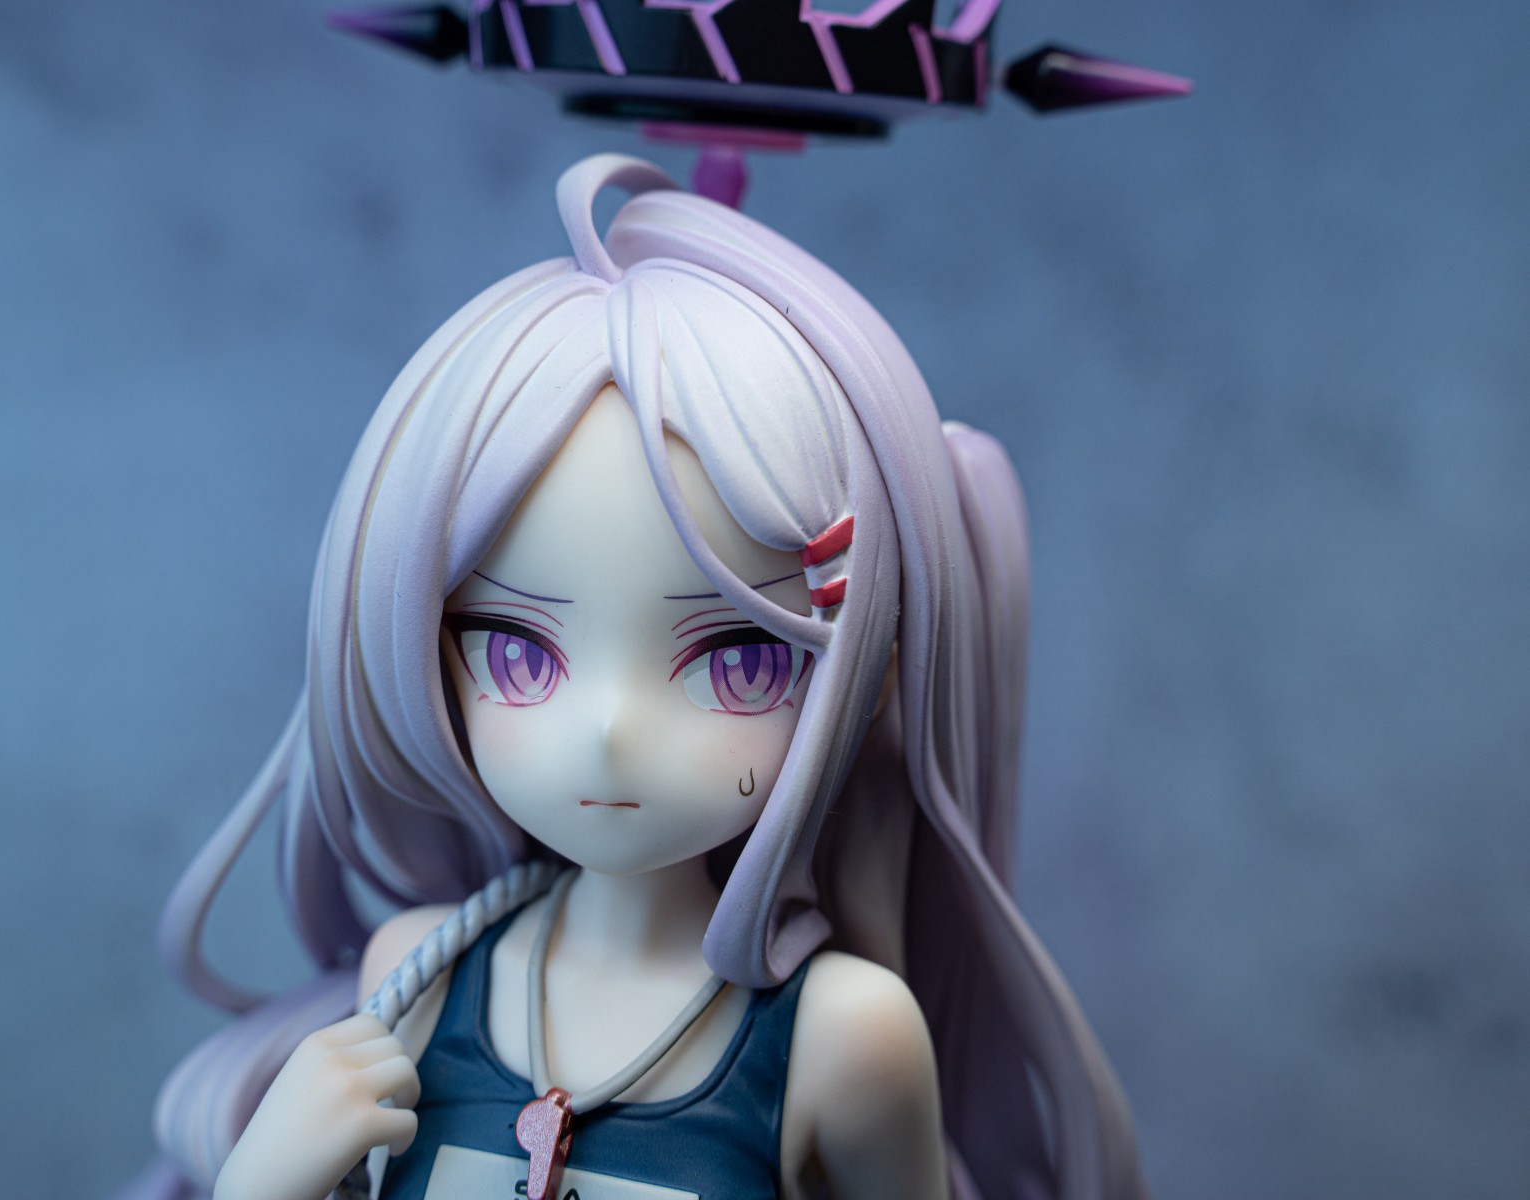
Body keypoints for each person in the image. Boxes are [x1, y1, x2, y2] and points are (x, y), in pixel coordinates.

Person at [121, 154, 1147, 1200]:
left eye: (738, 659)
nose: (611, 729)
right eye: (519, 653)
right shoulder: (414, 976)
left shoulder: (844, 1038)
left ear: (860, 678)